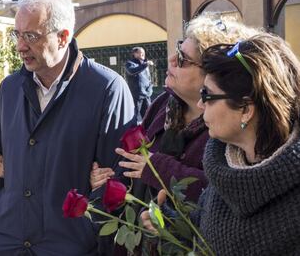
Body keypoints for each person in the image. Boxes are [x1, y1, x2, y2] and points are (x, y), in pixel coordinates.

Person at [0, 0, 135, 256]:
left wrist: (85, 235)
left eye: (30, 36)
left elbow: (119, 181)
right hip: (9, 246)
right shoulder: (9, 89)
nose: (19, 46)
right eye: (17, 34)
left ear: (63, 37)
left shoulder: (108, 89)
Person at [142, 32, 300, 255]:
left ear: (245, 110)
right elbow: (210, 228)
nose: (199, 103)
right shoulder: (223, 163)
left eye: (207, 95)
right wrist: (170, 222)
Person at [91, 14, 259, 203]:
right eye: (178, 50)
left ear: (213, 74)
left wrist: (160, 169)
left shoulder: (229, 123)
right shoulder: (164, 103)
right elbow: (133, 164)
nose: (171, 59)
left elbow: (229, 194)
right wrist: (107, 178)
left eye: (182, 59)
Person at [125, 47, 154, 123]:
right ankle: (134, 132)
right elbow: (132, 71)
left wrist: (150, 90)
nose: (142, 54)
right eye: (140, 52)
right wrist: (145, 65)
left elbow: (149, 79)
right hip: (137, 96)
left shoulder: (145, 64)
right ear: (134, 54)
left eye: (143, 52)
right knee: (135, 117)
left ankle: (148, 133)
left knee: (149, 116)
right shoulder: (130, 63)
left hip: (146, 95)